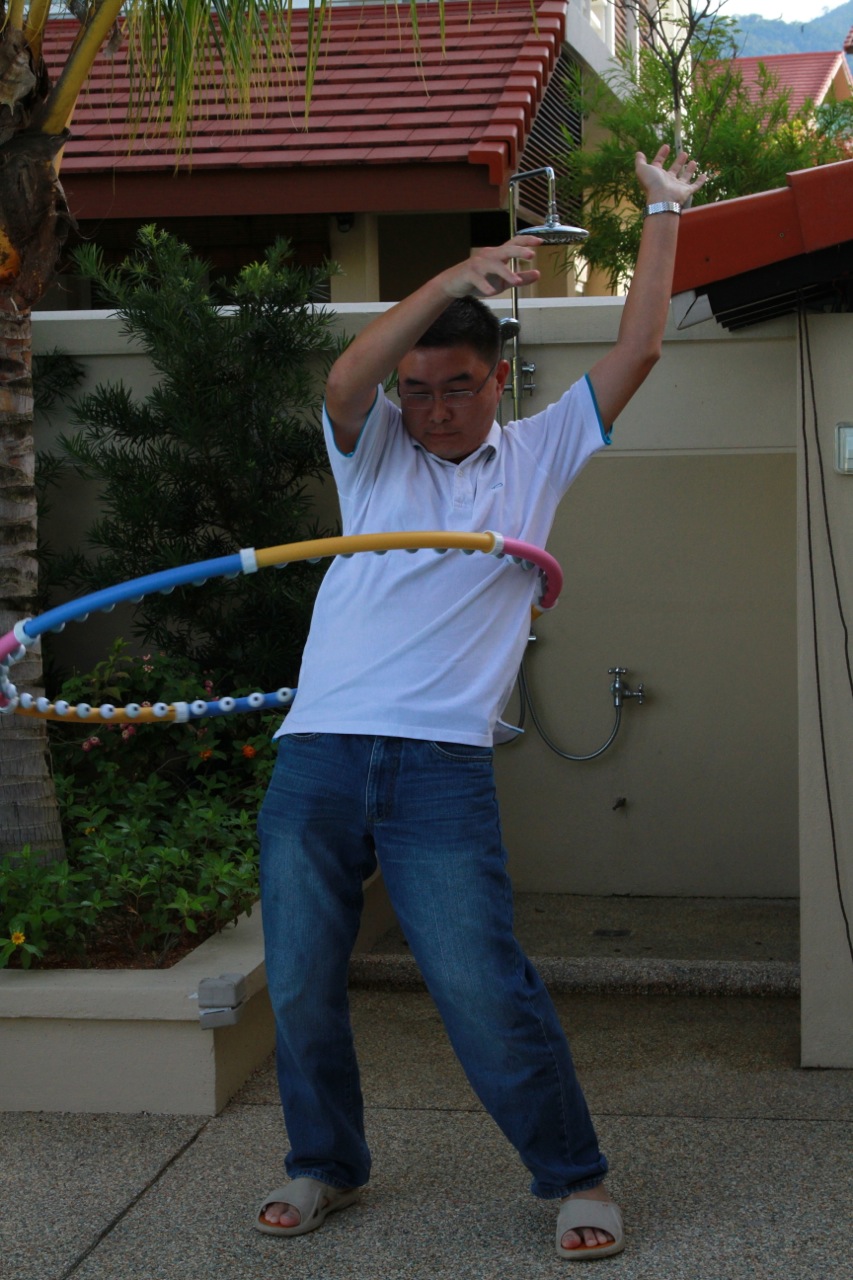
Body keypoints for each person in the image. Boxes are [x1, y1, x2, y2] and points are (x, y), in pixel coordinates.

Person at [255, 146, 706, 1260]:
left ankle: (576, 1176)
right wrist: (456, 275)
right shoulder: (374, 456)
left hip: (438, 764)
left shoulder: (539, 455)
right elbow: (346, 378)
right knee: (300, 982)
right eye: (419, 390)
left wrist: (661, 212)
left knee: (477, 984)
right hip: (318, 750)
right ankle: (323, 1163)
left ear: (499, 381)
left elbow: (640, 347)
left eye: (456, 386)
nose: (434, 408)